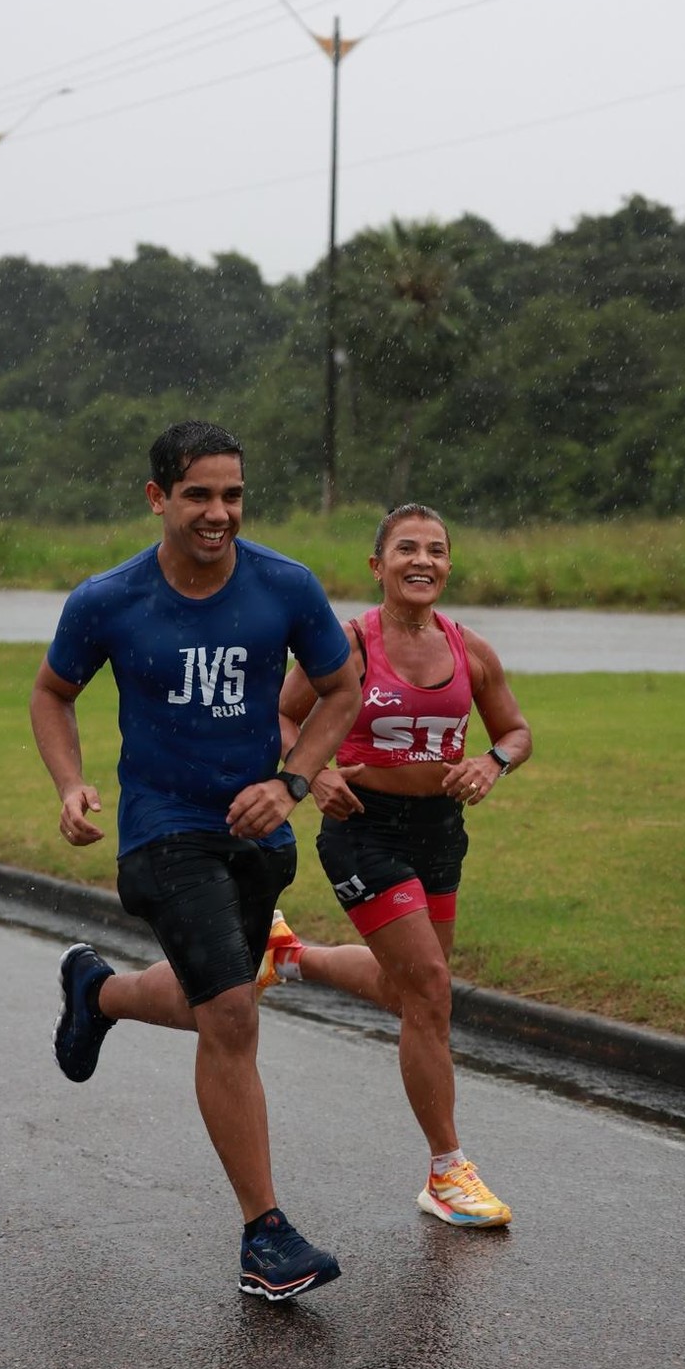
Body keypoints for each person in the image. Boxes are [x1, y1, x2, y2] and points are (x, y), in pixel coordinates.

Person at [29, 419, 361, 1302]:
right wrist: (70, 784)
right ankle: (266, 1236)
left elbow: (341, 690)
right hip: (162, 831)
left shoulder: (284, 586)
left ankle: (95, 992)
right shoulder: (110, 600)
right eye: (200, 495)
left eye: (233, 495)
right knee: (232, 1016)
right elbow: (53, 692)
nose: (220, 513)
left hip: (258, 831)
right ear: (158, 498)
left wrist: (292, 782)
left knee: (218, 998)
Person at [258, 502, 532, 1228]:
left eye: (436, 551)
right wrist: (314, 775)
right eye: (406, 549)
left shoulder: (469, 651)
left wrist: (492, 762)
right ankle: (447, 1171)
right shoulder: (346, 645)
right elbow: (281, 715)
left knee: (412, 993)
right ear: (378, 567)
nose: (423, 561)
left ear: (447, 566)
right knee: (432, 989)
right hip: (363, 831)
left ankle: (287, 957)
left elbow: (515, 729)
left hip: (439, 831)